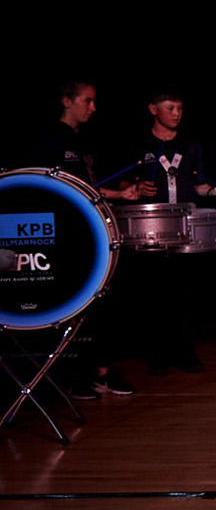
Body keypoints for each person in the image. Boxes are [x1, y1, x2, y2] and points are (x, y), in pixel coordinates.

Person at [33, 78, 146, 400]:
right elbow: (55, 190)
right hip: (67, 237)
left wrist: (119, 193)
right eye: (87, 101)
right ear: (67, 101)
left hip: (94, 233)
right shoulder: (50, 141)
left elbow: (87, 185)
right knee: (76, 307)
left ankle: (101, 374)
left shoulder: (82, 141)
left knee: (105, 304)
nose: (93, 108)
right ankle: (70, 377)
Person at [113, 88, 216, 376]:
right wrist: (137, 189)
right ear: (153, 109)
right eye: (170, 108)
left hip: (185, 228)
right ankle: (158, 353)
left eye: (179, 108)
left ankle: (185, 351)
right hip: (152, 231)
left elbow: (198, 184)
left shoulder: (190, 144)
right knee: (154, 292)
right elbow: (125, 186)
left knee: (187, 291)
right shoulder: (139, 145)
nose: (177, 113)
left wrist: (213, 190)